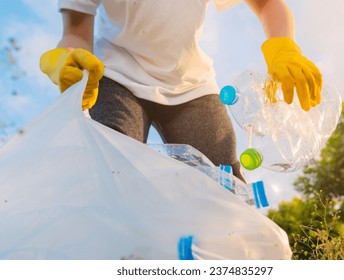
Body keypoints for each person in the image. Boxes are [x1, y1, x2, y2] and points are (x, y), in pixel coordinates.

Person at [40, 0, 322, 182]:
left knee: (224, 184)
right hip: (116, 75)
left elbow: (266, 4)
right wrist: (67, 57)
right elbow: (76, 31)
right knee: (112, 169)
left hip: (191, 85)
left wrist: (283, 48)